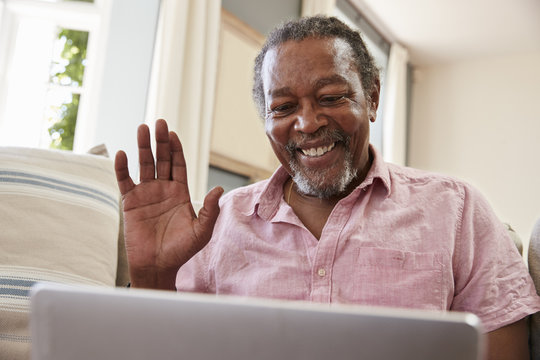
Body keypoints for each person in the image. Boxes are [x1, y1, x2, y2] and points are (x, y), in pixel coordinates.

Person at [114, 16, 540, 359]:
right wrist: (154, 277)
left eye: (332, 97)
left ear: (372, 98)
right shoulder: (215, 226)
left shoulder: (458, 209)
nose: (308, 123)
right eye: (283, 107)